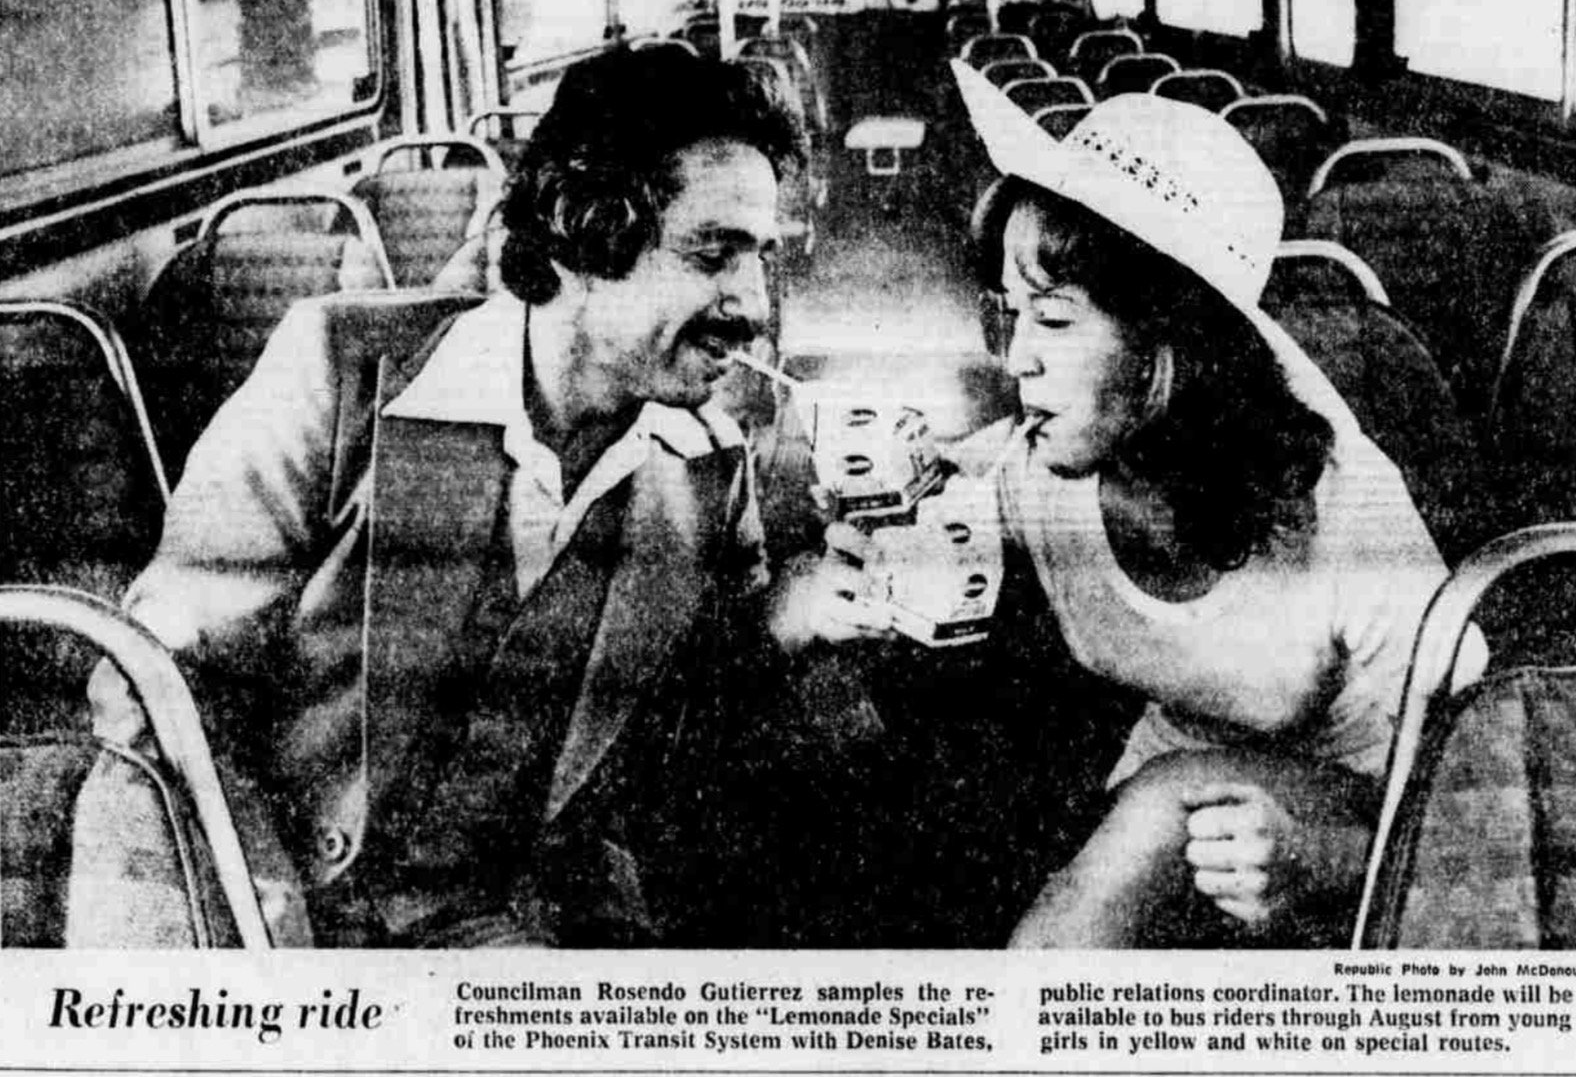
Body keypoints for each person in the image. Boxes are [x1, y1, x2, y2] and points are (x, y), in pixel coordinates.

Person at [83, 47, 868, 947]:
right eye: (713, 254)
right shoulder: (338, 376)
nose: (756, 303)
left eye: (762, 258)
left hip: (527, 924)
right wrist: (263, 924)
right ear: (585, 234)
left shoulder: (709, 468)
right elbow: (157, 684)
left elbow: (693, 740)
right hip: (295, 911)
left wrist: (790, 617)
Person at [948, 64, 1478, 947]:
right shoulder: (1039, 465)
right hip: (1180, 782)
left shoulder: (1347, 513)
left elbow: (1482, 794)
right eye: (1009, 316)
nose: (1015, 364)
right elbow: (959, 487)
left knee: (1160, 813)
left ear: (1168, 345)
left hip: (1382, 812)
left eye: (1054, 318)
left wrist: (1335, 850)